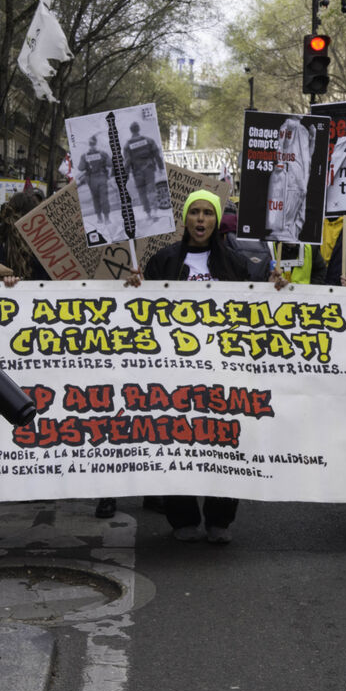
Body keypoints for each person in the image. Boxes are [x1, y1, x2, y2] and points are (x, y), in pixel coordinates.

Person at [131, 190, 247, 542]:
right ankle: (182, 518)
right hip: (175, 370)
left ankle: (219, 520)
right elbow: (143, 311)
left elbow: (253, 310)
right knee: (176, 438)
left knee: (223, 441)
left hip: (223, 368)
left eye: (207, 213)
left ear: (216, 220)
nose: (200, 219)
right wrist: (133, 288)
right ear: (185, 219)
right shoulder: (164, 260)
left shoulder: (236, 263)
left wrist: (276, 287)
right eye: (194, 212)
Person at [122, 121, 164, 219]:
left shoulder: (127, 145)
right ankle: (155, 211)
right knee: (151, 190)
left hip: (137, 172)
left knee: (142, 193)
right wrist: (161, 167)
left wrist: (126, 175)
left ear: (131, 131)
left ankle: (148, 214)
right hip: (149, 169)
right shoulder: (149, 140)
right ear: (139, 129)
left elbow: (127, 161)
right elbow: (157, 155)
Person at [75, 134, 113, 231]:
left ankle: (99, 218)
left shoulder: (85, 156)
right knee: (104, 198)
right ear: (96, 143)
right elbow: (110, 164)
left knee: (96, 198)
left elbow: (80, 168)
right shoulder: (103, 153)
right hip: (102, 178)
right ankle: (107, 219)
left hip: (92, 180)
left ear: (89, 144)